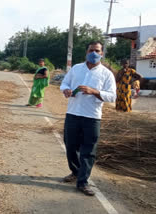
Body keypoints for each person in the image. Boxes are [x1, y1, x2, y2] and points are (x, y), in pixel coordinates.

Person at [60, 41, 116, 196]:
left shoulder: (106, 74)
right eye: (91, 50)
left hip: (92, 117)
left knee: (88, 150)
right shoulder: (76, 69)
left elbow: (112, 96)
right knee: (70, 146)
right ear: (86, 52)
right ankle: (75, 172)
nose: (94, 53)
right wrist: (65, 90)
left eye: (97, 50)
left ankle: (83, 182)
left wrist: (94, 91)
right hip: (73, 113)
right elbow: (64, 83)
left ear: (102, 53)